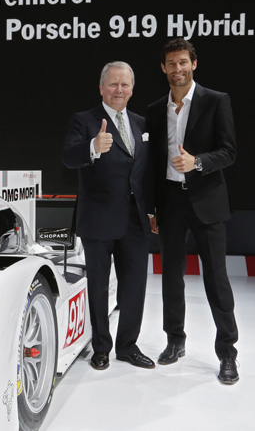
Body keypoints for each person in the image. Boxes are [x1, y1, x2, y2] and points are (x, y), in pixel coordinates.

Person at [147, 38, 239, 384]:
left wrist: (196, 162)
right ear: (163, 68)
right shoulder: (156, 109)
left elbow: (229, 152)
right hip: (170, 201)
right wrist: (152, 209)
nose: (178, 69)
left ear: (194, 64)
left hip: (206, 201)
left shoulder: (216, 101)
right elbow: (153, 164)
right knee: (171, 276)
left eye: (183, 62)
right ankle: (175, 341)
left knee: (216, 279)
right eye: (171, 63)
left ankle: (227, 353)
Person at [63, 61, 156, 371]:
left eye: (124, 84)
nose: (119, 89)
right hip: (98, 219)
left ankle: (128, 346)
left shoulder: (142, 124)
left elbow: (147, 173)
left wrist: (153, 211)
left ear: (132, 89)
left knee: (135, 287)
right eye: (113, 84)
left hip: (136, 221)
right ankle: (101, 347)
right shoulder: (84, 120)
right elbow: (68, 157)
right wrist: (92, 146)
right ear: (101, 88)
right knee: (99, 288)